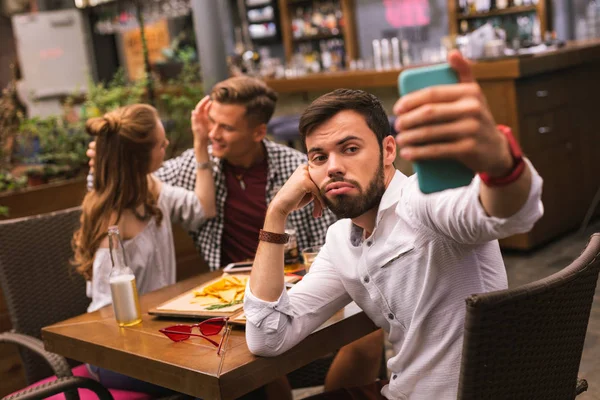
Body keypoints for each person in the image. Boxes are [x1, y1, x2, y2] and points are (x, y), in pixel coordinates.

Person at [243, 50, 544, 399]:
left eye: (350, 148)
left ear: (388, 151)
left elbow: (509, 211)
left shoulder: (421, 200)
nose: (333, 167)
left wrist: (501, 162)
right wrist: (276, 212)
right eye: (319, 157)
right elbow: (268, 336)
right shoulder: (341, 240)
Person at [86, 76, 385, 398]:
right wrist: (107, 156)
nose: (213, 133)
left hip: (303, 281)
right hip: (224, 300)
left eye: (225, 127)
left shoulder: (298, 166)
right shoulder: (194, 167)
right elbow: (123, 182)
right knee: (256, 347)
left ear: (258, 132)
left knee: (366, 336)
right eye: (211, 123)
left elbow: (336, 233)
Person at [72, 103, 216, 394]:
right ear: (137, 158)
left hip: (157, 338)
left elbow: (202, 209)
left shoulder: (151, 187)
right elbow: (104, 314)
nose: (166, 145)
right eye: (160, 144)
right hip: (116, 355)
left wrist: (200, 144)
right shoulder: (111, 224)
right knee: (207, 374)